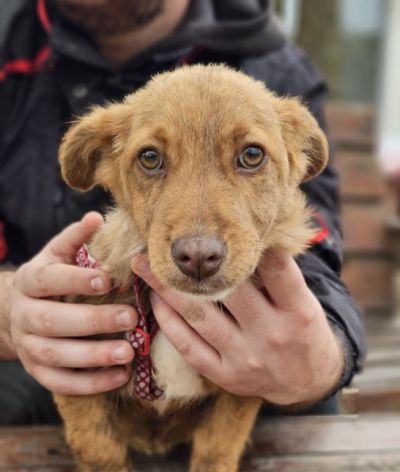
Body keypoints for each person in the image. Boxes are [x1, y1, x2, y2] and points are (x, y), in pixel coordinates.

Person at [0, 0, 366, 424]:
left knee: (310, 397)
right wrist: (8, 311)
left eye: (250, 156)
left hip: (239, 378)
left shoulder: (274, 68)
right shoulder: (9, 50)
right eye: (151, 158)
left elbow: (315, 254)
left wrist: (321, 359)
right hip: (54, 366)